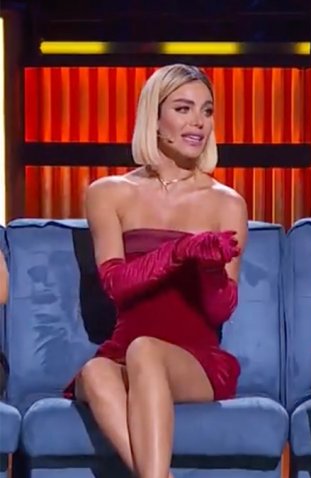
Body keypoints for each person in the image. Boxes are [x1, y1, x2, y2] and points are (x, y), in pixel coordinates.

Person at [64, 64, 248, 478]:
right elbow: (115, 285)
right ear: (155, 116)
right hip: (123, 351)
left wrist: (211, 271)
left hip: (195, 361)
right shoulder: (108, 193)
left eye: (207, 110)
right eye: (183, 108)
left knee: (145, 350)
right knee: (95, 371)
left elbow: (221, 310)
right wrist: (179, 253)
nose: (198, 122)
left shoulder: (227, 202)